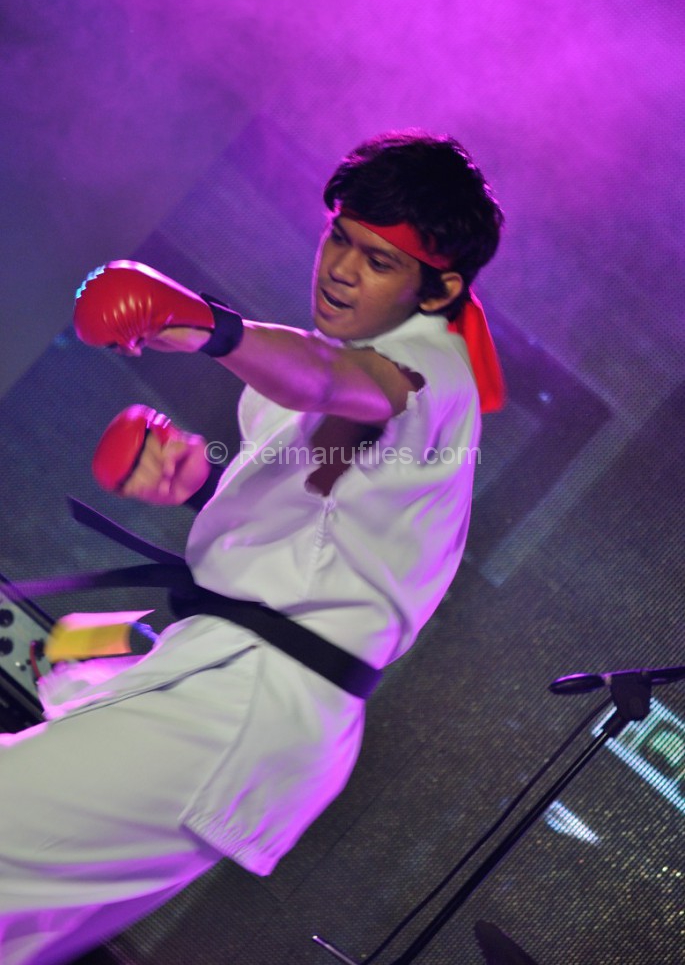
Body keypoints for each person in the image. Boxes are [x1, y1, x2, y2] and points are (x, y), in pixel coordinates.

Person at [0, 130, 504, 965]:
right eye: (339, 238)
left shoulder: (431, 367)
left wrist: (209, 327)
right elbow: (316, 526)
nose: (341, 270)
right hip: (232, 685)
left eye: (378, 261)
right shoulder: (294, 384)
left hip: (252, 700)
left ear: (439, 288)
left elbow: (334, 382)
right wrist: (197, 484)